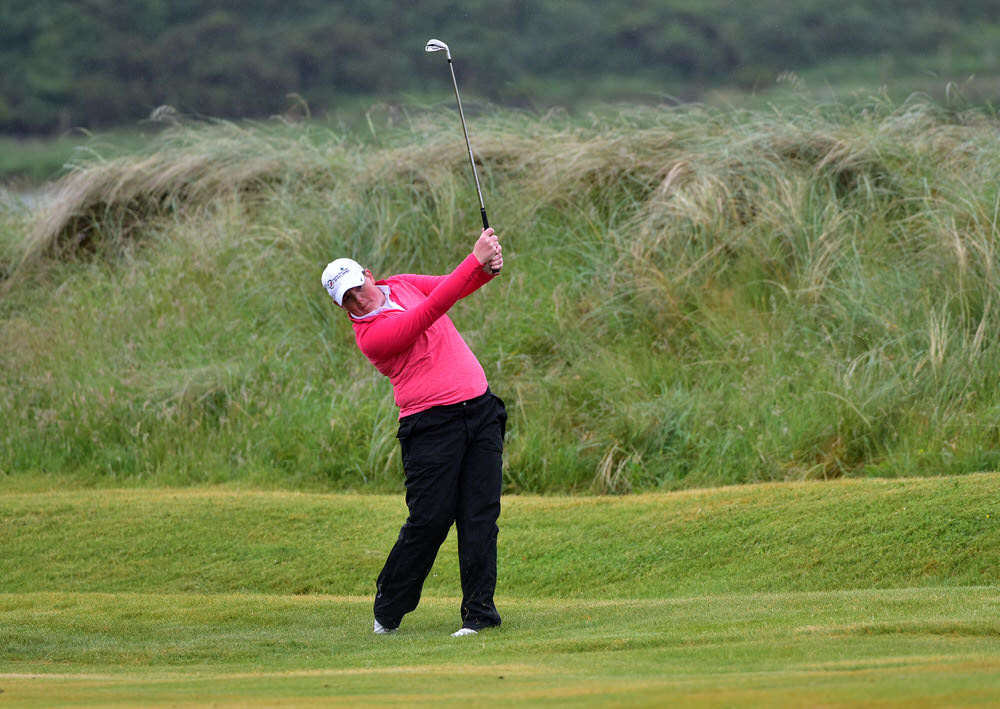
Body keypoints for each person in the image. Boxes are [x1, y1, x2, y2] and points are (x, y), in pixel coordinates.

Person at [321, 227, 507, 638]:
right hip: (430, 427)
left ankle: (480, 615)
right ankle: (389, 606)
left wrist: (486, 268)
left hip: (479, 409)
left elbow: (449, 288)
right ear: (341, 306)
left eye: (356, 288)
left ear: (368, 274)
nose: (357, 299)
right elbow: (428, 313)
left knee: (479, 516)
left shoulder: (401, 284)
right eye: (346, 299)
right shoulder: (371, 336)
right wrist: (473, 259)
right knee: (430, 521)